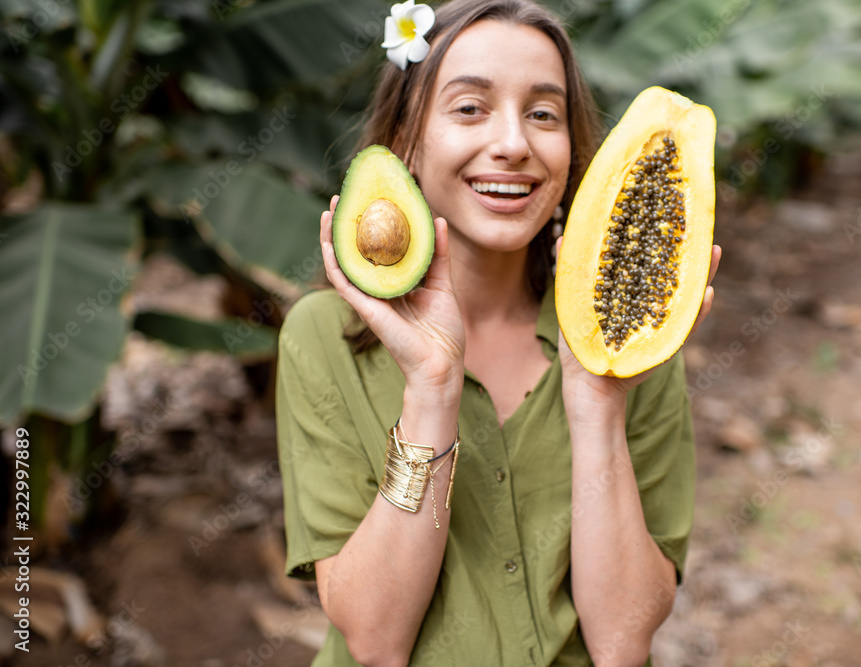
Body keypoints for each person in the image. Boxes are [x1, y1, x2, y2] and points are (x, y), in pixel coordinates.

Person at [276, 0, 721, 665]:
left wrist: (599, 402)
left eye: (544, 114)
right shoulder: (322, 336)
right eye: (470, 108)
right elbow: (373, 639)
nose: (513, 143)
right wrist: (430, 390)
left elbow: (623, 641)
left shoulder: (632, 338)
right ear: (406, 143)